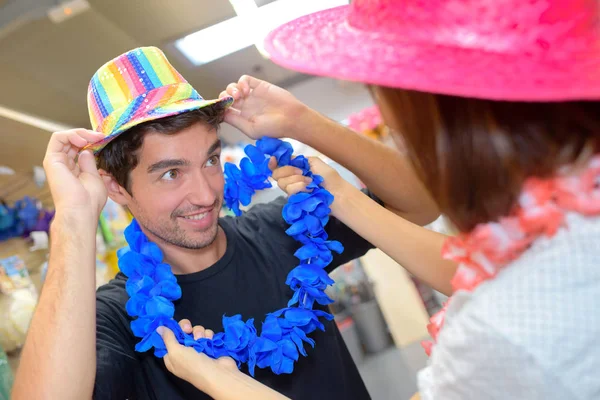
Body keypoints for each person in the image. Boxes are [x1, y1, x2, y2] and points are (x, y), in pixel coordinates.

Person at [154, 0, 600, 399]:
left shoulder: (504, 332)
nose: (391, 122)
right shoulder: (569, 229)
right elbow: (478, 273)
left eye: (384, 95)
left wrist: (222, 382)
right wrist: (330, 176)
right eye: (171, 173)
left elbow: (438, 225)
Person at [12, 47, 441, 399]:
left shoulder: (284, 230)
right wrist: (71, 220)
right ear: (117, 188)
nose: (205, 193)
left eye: (211, 160)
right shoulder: (117, 317)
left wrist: (301, 122)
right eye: (171, 173)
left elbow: (420, 204)